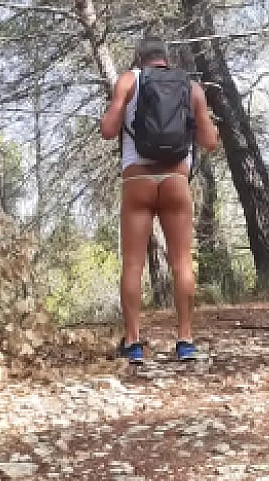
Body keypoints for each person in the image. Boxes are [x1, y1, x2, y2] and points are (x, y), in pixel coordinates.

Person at [99, 36, 219, 363]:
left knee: (134, 265)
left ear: (139, 59)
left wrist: (121, 109)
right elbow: (210, 142)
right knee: (181, 262)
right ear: (166, 58)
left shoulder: (129, 80)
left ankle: (134, 343)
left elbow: (108, 130)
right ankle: (185, 340)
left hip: (137, 181)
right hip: (175, 181)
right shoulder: (191, 87)